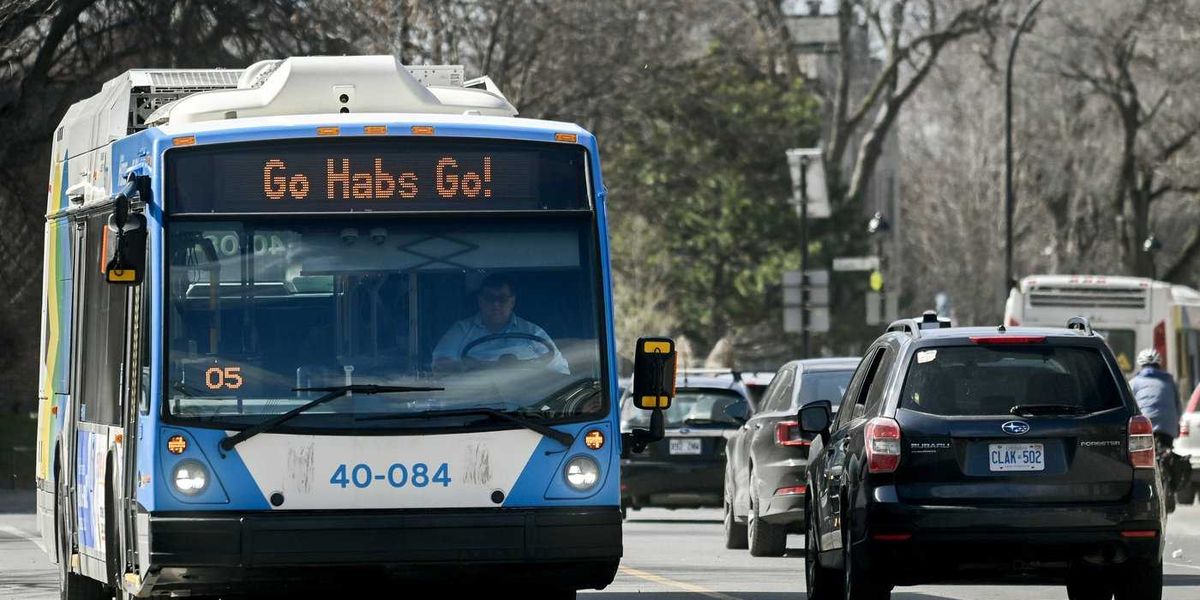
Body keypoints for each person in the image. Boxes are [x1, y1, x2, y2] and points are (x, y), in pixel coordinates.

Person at [432, 273, 569, 374]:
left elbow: (560, 371)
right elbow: (440, 366)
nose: (495, 304)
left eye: (502, 299)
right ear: (480, 301)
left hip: (528, 407)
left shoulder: (533, 333)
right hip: (474, 404)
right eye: (489, 298)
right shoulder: (460, 331)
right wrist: (471, 368)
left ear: (512, 301)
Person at [1129, 348, 1181, 448]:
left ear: (1141, 365)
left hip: (1145, 424)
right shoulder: (1169, 381)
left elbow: (1130, 406)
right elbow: (1178, 406)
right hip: (1168, 425)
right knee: (1166, 453)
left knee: (1142, 456)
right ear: (1159, 364)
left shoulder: (1134, 382)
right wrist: (1176, 423)